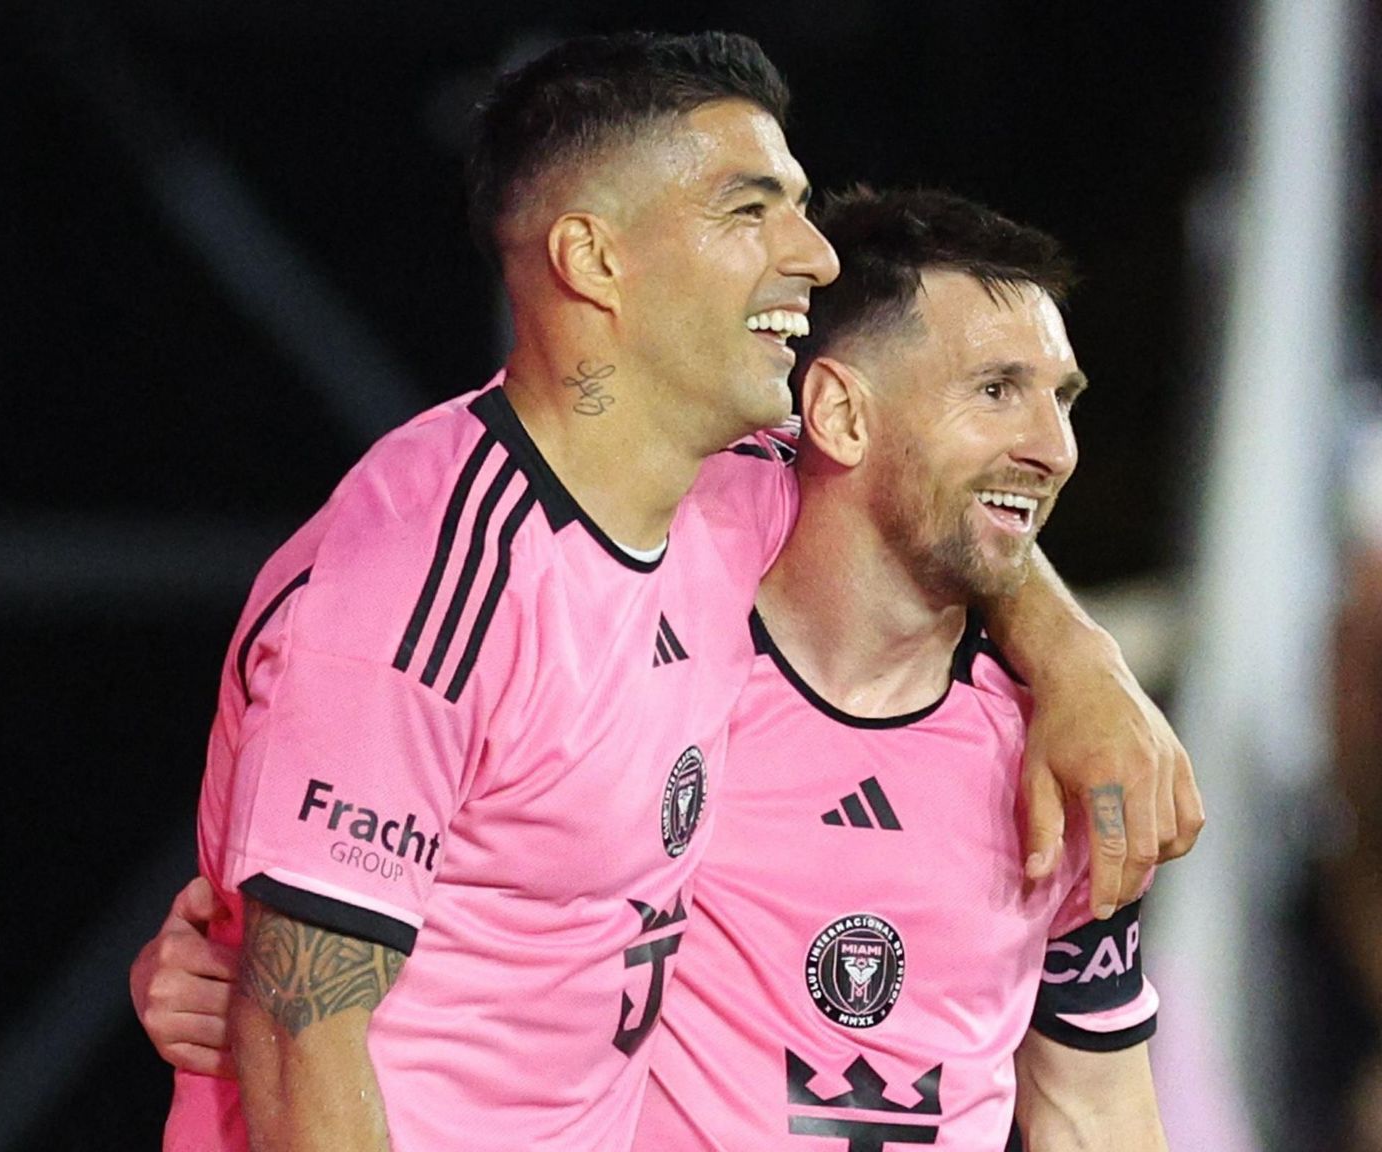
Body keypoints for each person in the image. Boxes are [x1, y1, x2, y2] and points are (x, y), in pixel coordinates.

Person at [170, 31, 1196, 1152]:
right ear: (593, 258)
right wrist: (247, 958)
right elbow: (297, 1028)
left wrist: (1081, 666)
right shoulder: (417, 578)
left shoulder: (728, 506)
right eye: (748, 210)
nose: (809, 254)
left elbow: (937, 498)